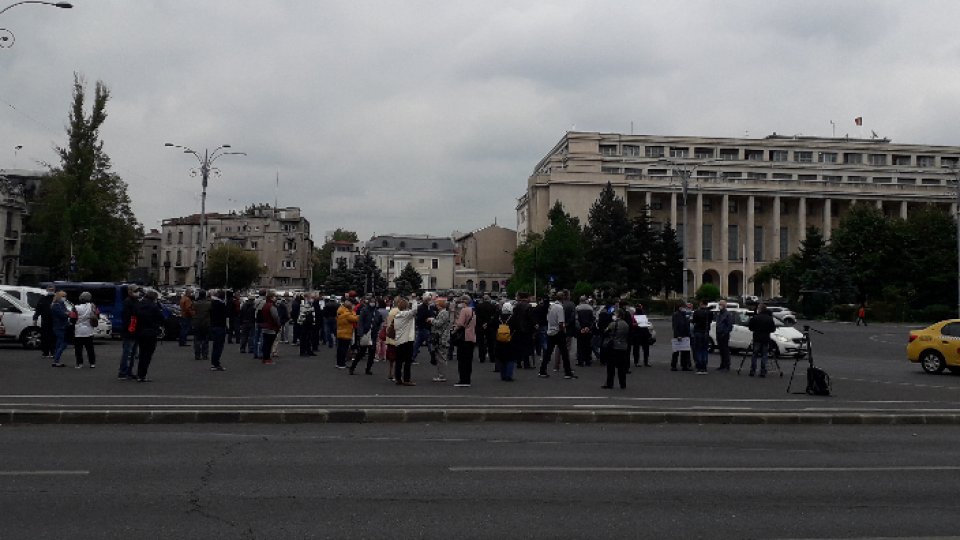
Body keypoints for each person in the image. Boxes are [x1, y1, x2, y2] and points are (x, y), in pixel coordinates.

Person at [540, 292, 576, 379]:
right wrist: (562, 331)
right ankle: (568, 372)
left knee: (548, 353)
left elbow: (548, 319)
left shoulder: (551, 306)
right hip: (558, 332)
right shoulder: (560, 307)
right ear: (563, 298)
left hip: (550, 331)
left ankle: (542, 371)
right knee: (564, 353)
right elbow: (561, 322)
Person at [133, 289, 165, 382]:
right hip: (151, 332)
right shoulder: (153, 307)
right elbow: (162, 318)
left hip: (140, 332)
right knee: (147, 355)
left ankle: (139, 374)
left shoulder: (138, 305)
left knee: (142, 353)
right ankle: (142, 374)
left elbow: (134, 316)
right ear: (154, 298)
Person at [601, 305, 632, 389]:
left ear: (618, 315)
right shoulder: (626, 324)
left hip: (614, 347)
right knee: (621, 368)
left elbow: (605, 332)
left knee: (610, 367)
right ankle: (623, 384)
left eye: (615, 314)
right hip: (623, 347)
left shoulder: (613, 324)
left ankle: (609, 383)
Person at [453, 294, 477, 387]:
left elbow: (460, 324)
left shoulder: (464, 310)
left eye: (461, 302)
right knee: (468, 360)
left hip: (464, 338)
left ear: (464, 302)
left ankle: (463, 380)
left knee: (462, 360)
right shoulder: (473, 311)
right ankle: (467, 379)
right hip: (471, 337)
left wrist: (454, 329)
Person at [392, 297, 417, 385]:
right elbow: (414, 310)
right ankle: (407, 379)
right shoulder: (406, 314)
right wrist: (413, 300)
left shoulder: (397, 316)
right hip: (407, 340)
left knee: (399, 361)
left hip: (399, 340)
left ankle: (398, 378)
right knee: (407, 361)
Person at [117, 285, 140, 380]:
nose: (137, 292)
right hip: (129, 331)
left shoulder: (135, 301)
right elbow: (127, 318)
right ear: (130, 291)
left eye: (138, 290)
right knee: (128, 353)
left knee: (133, 353)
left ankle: (129, 371)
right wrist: (130, 329)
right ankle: (123, 372)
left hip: (135, 330)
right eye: (135, 291)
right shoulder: (128, 302)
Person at [748, 304, 777, 377]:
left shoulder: (755, 317)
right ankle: (763, 371)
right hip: (765, 338)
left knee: (755, 354)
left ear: (760, 309)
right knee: (764, 355)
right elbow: (773, 329)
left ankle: (753, 370)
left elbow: (750, 328)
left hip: (757, 338)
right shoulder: (769, 318)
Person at [349, 298, 376, 375]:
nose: (373, 303)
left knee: (372, 354)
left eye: (374, 302)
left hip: (372, 334)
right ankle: (352, 367)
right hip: (365, 333)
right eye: (372, 302)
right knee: (361, 352)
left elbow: (378, 320)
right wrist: (360, 333)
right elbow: (360, 322)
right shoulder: (365, 310)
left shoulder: (375, 311)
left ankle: (368, 369)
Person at [509, 292, 535, 370]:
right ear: (527, 298)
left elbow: (514, 318)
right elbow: (530, 319)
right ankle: (526, 364)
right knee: (526, 346)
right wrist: (533, 327)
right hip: (526, 329)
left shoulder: (517, 306)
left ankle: (519, 363)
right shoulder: (528, 306)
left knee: (519, 346)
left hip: (517, 329)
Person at [72, 291, 98, 368]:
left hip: (78, 330)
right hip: (89, 330)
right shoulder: (93, 306)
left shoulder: (76, 307)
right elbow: (97, 315)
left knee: (78, 349)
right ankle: (92, 363)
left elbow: (72, 319)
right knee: (90, 348)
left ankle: (79, 363)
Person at [429, 297, 451, 382]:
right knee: (440, 357)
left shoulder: (443, 313)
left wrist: (432, 320)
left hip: (442, 337)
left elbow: (439, 324)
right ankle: (440, 375)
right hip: (442, 337)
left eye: (437, 304)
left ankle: (441, 375)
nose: (436, 305)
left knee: (441, 357)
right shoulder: (443, 312)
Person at [32, 285, 55, 358]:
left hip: (54, 321)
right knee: (45, 337)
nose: (51, 291)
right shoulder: (43, 299)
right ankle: (45, 352)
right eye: (49, 289)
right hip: (45, 321)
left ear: (54, 290)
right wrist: (35, 318)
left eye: (52, 289)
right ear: (47, 290)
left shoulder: (56, 299)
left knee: (53, 337)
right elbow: (38, 309)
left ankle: (53, 352)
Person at [259, 291, 281, 365]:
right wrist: (279, 324)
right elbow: (276, 317)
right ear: (271, 297)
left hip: (265, 326)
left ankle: (264, 358)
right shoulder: (271, 306)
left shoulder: (265, 305)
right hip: (271, 327)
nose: (275, 298)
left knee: (265, 344)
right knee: (269, 344)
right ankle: (267, 359)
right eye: (274, 296)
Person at [691, 299, 713, 374]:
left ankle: (699, 367)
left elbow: (694, 321)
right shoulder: (709, 313)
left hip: (698, 331)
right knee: (705, 350)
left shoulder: (697, 312)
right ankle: (704, 367)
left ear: (701, 303)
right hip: (706, 332)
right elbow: (710, 321)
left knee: (698, 349)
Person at [412, 293, 435, 363]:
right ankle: (433, 358)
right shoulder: (423, 308)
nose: (430, 301)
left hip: (422, 328)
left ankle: (412, 357)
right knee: (429, 343)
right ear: (426, 300)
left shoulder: (427, 307)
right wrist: (428, 318)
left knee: (417, 343)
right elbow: (419, 318)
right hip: (425, 327)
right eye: (429, 300)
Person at [336, 298, 359, 369]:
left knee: (340, 348)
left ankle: (339, 363)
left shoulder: (341, 309)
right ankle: (342, 364)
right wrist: (358, 315)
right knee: (344, 349)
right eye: (351, 303)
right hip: (345, 332)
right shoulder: (346, 312)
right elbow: (354, 318)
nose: (352, 305)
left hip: (341, 331)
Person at [208, 289, 228, 371]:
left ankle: (214, 363)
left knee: (216, 346)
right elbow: (225, 315)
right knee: (219, 346)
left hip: (214, 325)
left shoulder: (212, 303)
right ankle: (216, 363)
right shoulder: (221, 305)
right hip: (220, 326)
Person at [50, 291, 70, 368]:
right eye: (63, 296)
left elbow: (66, 312)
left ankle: (56, 360)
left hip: (62, 326)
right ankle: (56, 361)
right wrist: (67, 314)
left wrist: (67, 313)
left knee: (59, 344)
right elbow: (63, 315)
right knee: (63, 344)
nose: (65, 298)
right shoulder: (56, 305)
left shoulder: (61, 304)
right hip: (59, 327)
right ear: (59, 297)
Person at [670, 303, 692, 371]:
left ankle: (684, 365)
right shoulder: (676, 315)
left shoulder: (685, 315)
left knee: (685, 351)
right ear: (680, 307)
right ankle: (673, 366)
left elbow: (687, 325)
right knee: (676, 351)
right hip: (678, 335)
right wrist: (677, 335)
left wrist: (688, 334)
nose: (684, 309)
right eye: (683, 307)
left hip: (685, 335)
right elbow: (675, 326)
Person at [191, 289, 211, 361]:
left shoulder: (195, 303)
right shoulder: (209, 304)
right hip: (206, 323)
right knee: (205, 339)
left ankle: (197, 355)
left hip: (197, 323)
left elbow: (192, 312)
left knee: (197, 339)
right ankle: (205, 355)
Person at [576, 296, 596, 367]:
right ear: (585, 300)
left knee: (580, 345)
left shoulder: (577, 308)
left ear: (580, 300)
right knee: (588, 345)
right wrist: (589, 328)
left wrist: (581, 328)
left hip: (580, 330)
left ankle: (580, 361)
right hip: (588, 330)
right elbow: (593, 319)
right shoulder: (590, 308)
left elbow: (576, 320)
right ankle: (588, 361)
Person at [631, 303, 653, 368]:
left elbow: (645, 323)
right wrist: (636, 324)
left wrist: (647, 323)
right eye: (639, 307)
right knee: (637, 349)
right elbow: (632, 324)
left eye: (640, 307)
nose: (640, 308)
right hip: (637, 333)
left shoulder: (643, 315)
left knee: (645, 348)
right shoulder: (634, 316)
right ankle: (637, 362)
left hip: (643, 333)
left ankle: (645, 361)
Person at [714, 300, 734, 371]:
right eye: (719, 304)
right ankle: (722, 365)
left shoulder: (728, 314)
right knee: (721, 351)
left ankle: (726, 365)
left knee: (725, 350)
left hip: (724, 335)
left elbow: (729, 326)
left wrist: (724, 333)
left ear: (725, 305)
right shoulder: (719, 314)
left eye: (721, 304)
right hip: (719, 334)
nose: (720, 306)